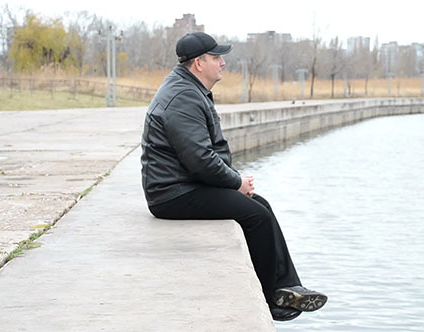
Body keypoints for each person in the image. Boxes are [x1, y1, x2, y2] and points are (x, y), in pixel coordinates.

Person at [140, 32, 327, 321]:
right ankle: (270, 299)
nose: (223, 62)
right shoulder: (183, 98)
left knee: (261, 205)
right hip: (172, 194)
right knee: (257, 216)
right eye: (217, 57)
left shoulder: (188, 88)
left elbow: (202, 156)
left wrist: (234, 179)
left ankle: (287, 286)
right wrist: (236, 182)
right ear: (199, 63)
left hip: (182, 185)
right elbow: (200, 160)